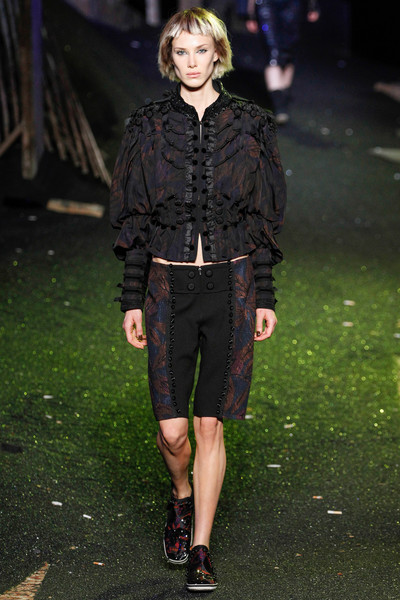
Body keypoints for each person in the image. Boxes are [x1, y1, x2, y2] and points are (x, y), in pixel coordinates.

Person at [110, 6, 286, 592]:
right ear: (170, 58)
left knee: (210, 425)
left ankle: (201, 547)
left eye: (201, 50)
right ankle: (180, 494)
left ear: (218, 54)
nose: (191, 62)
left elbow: (262, 217)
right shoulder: (148, 126)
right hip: (167, 290)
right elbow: (135, 218)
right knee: (173, 433)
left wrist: (265, 294)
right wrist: (131, 298)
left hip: (232, 288)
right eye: (180, 52)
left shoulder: (251, 125)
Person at [246, 0, 320, 124]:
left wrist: (313, 5)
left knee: (287, 51)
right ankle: (280, 105)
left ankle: (282, 99)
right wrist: (250, 14)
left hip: (292, 4)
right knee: (272, 51)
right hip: (266, 4)